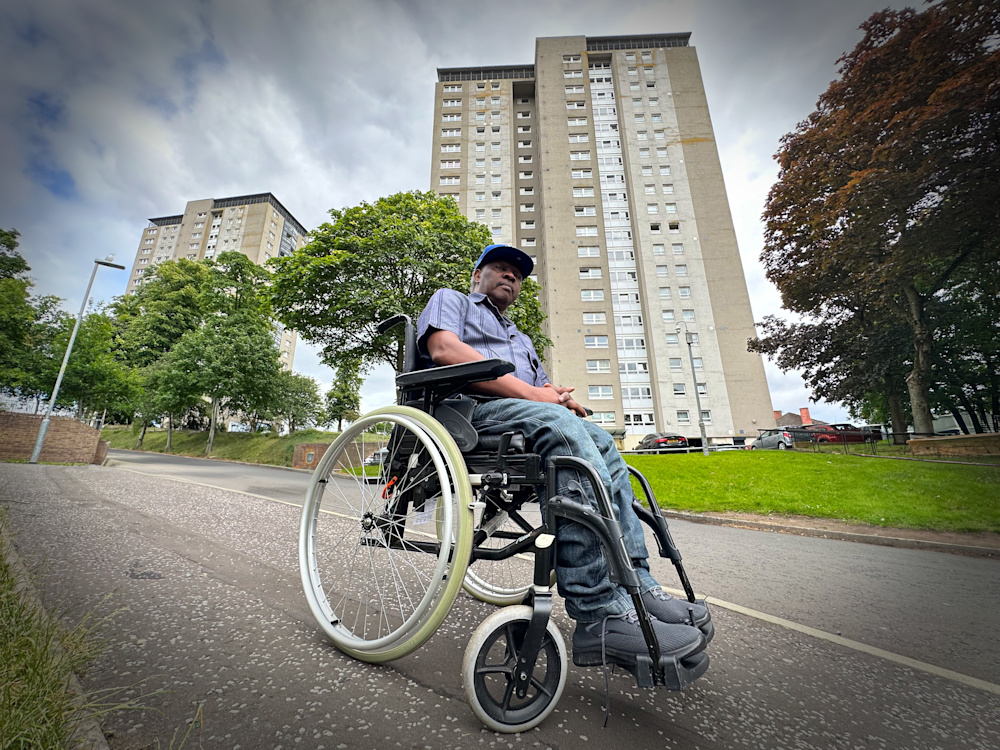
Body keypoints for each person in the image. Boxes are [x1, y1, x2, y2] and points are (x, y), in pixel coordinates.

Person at [417, 244, 712, 671]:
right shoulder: (454, 300)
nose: (510, 277)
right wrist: (540, 398)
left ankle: (638, 583)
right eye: (500, 268)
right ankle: (598, 613)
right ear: (477, 275)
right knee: (564, 433)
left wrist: (559, 396)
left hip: (524, 415)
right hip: (469, 410)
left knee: (602, 442)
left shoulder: (520, 338)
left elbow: (543, 389)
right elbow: (445, 350)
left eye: (516, 275)